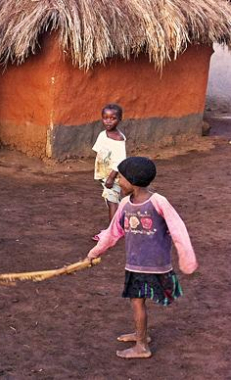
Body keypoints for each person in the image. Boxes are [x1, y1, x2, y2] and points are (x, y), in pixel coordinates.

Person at [85, 157, 198, 359]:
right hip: (135, 263)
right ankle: (140, 334)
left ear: (132, 180)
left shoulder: (158, 202)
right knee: (137, 301)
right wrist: (94, 252)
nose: (118, 181)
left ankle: (141, 346)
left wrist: (187, 259)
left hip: (149, 264)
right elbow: (113, 232)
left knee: (137, 302)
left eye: (121, 177)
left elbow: (178, 229)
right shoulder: (125, 205)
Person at [92, 104, 126, 241]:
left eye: (113, 118)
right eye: (105, 118)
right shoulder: (102, 135)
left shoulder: (118, 139)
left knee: (112, 202)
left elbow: (120, 162)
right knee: (112, 201)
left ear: (120, 119)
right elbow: (99, 153)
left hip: (113, 177)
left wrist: (111, 178)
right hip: (105, 175)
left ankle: (112, 232)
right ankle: (120, 225)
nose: (108, 121)